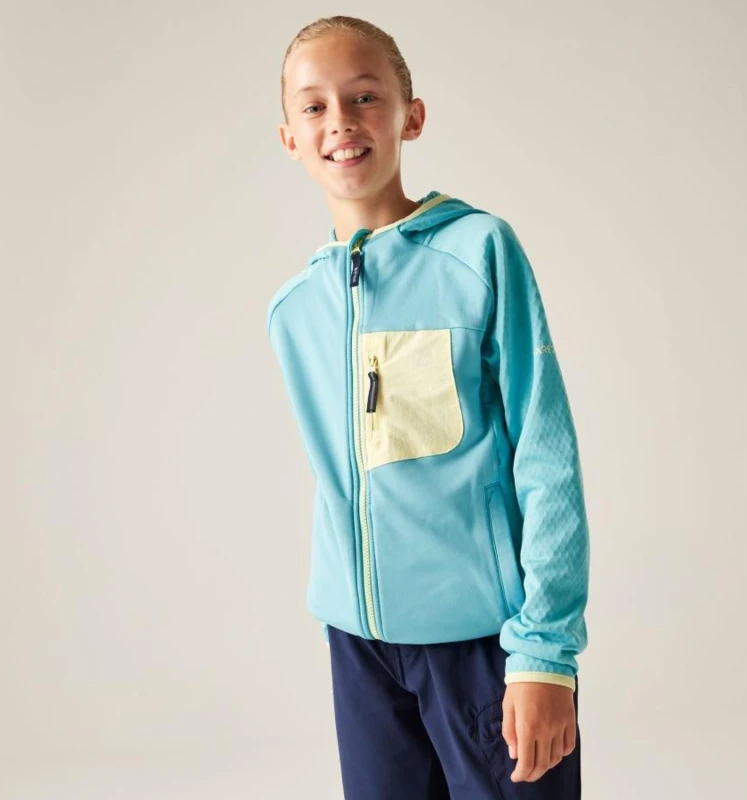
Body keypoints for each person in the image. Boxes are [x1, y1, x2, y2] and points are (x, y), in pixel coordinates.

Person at [266, 15, 590, 800]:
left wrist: (544, 653)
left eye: (364, 96)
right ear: (289, 139)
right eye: (314, 106)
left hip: (484, 644)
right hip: (360, 650)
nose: (340, 121)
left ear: (410, 116)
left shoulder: (478, 252)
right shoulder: (294, 310)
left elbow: (545, 457)